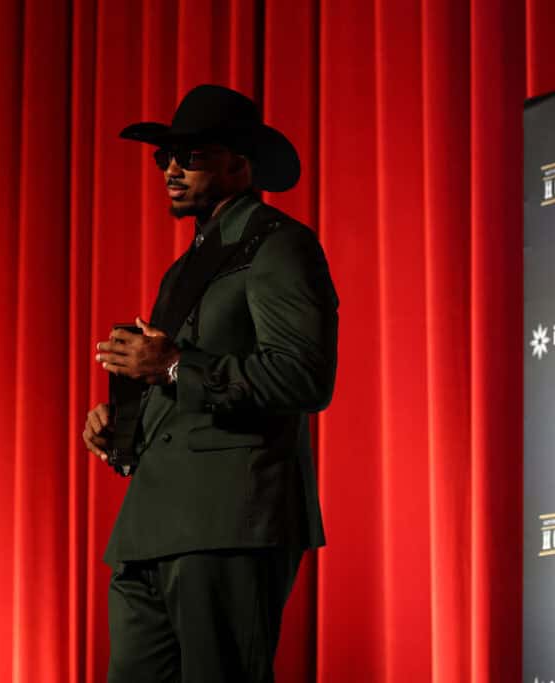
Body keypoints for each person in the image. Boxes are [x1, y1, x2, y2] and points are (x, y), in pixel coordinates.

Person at [81, 84, 338, 683]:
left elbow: (304, 376)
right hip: (148, 527)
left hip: (228, 519)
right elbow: (180, 384)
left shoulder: (279, 245)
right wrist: (123, 427)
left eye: (191, 156)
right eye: (164, 157)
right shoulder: (183, 268)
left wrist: (172, 366)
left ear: (240, 163)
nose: (171, 170)